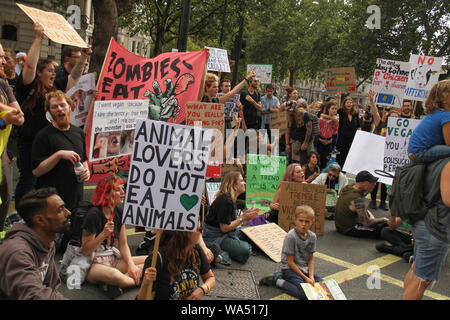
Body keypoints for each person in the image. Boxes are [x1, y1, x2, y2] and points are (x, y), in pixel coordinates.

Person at [14, 22, 90, 204]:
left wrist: (83, 58)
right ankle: (23, 215)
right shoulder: (29, 87)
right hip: (32, 141)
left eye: (54, 71)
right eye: (49, 70)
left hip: (51, 141)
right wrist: (39, 38)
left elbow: (74, 77)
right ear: (39, 74)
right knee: (29, 181)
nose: (53, 74)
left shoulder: (56, 88)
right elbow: (29, 68)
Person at [81, 176, 146, 298]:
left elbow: (123, 244)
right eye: (117, 190)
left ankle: (119, 282)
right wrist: (103, 234)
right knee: (114, 275)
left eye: (122, 189)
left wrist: (131, 264)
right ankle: (140, 282)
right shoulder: (94, 214)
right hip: (92, 263)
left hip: (111, 258)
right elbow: (86, 250)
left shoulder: (119, 212)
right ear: (105, 195)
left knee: (152, 260)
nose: (123, 193)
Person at [0, 188, 68, 299]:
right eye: (60, 210)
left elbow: (51, 287)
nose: (68, 213)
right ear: (40, 220)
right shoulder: (17, 252)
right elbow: (33, 295)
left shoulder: (47, 242)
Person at [403, 158, 450, 300]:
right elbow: (448, 199)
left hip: (423, 220)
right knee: (422, 280)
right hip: (436, 227)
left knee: (416, 272)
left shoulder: (434, 158)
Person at [137, 223, 216, 300]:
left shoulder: (196, 250)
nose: (201, 232)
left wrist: (203, 289)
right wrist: (146, 283)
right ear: (184, 233)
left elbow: (210, 278)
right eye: (199, 229)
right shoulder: (157, 259)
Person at [259, 205, 323, 300]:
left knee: (322, 287)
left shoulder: (312, 236)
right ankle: (278, 281)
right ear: (295, 220)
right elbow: (290, 262)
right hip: (290, 269)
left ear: (312, 222)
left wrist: (311, 276)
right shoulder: (291, 236)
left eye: (307, 222)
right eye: (301, 221)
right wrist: (305, 279)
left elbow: (311, 259)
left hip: (304, 269)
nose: (303, 224)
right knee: (304, 293)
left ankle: (299, 280)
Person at [202, 171, 260, 264]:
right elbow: (224, 228)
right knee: (246, 250)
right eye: (241, 181)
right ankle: (218, 251)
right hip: (216, 236)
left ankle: (228, 249)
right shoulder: (226, 201)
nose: (244, 183)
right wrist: (243, 218)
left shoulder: (230, 198)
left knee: (252, 232)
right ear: (234, 185)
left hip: (225, 233)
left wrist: (244, 217)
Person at [407, 79, 450, 163]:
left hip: (415, 152)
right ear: (444, 98)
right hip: (420, 153)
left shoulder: (437, 113)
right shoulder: (446, 116)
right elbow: (449, 142)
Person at [334, 170, 388, 238]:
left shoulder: (349, 187)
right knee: (385, 230)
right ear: (362, 183)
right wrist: (383, 219)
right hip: (348, 228)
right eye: (371, 182)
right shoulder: (357, 198)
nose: (374, 184)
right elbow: (367, 222)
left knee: (381, 225)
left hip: (340, 225)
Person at [336, 96, 361, 169]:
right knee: (340, 156)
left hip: (351, 138)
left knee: (348, 156)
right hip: (342, 138)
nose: (349, 104)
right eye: (347, 102)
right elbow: (337, 108)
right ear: (344, 104)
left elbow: (358, 125)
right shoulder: (341, 112)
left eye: (350, 102)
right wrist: (338, 98)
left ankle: (344, 171)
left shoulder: (355, 114)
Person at [317, 101, 339, 169]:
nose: (334, 110)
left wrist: (330, 140)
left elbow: (335, 131)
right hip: (320, 141)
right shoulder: (321, 119)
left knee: (325, 161)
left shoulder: (336, 120)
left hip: (329, 142)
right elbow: (318, 130)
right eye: (332, 108)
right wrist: (320, 139)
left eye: (335, 109)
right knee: (318, 160)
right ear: (328, 109)